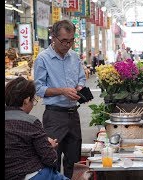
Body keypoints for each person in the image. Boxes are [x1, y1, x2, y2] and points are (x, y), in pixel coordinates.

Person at [34, 19, 87, 178]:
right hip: (54, 116)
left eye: (71, 41)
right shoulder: (43, 59)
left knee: (74, 159)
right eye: (64, 41)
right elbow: (39, 88)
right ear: (53, 37)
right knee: (52, 159)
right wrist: (62, 91)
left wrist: (79, 87)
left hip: (73, 115)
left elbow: (82, 79)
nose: (67, 44)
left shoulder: (74, 57)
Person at [5, 77, 69, 180]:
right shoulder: (30, 122)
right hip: (31, 175)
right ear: (26, 100)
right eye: (33, 100)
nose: (33, 105)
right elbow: (50, 160)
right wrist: (50, 147)